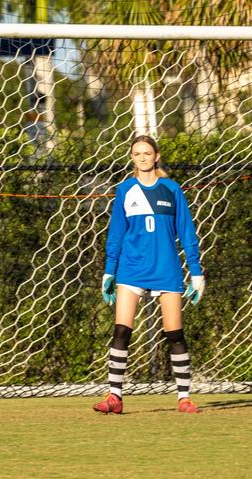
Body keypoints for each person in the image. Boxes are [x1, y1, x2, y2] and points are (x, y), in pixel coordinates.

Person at [95, 135, 205, 415]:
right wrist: (109, 271)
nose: (142, 158)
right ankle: (115, 397)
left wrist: (196, 271)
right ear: (132, 158)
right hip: (131, 269)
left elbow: (186, 231)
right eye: (137, 154)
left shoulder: (171, 189)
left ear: (156, 156)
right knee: (121, 331)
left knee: (175, 334)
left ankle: (184, 398)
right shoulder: (125, 190)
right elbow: (116, 233)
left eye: (147, 153)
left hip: (166, 269)